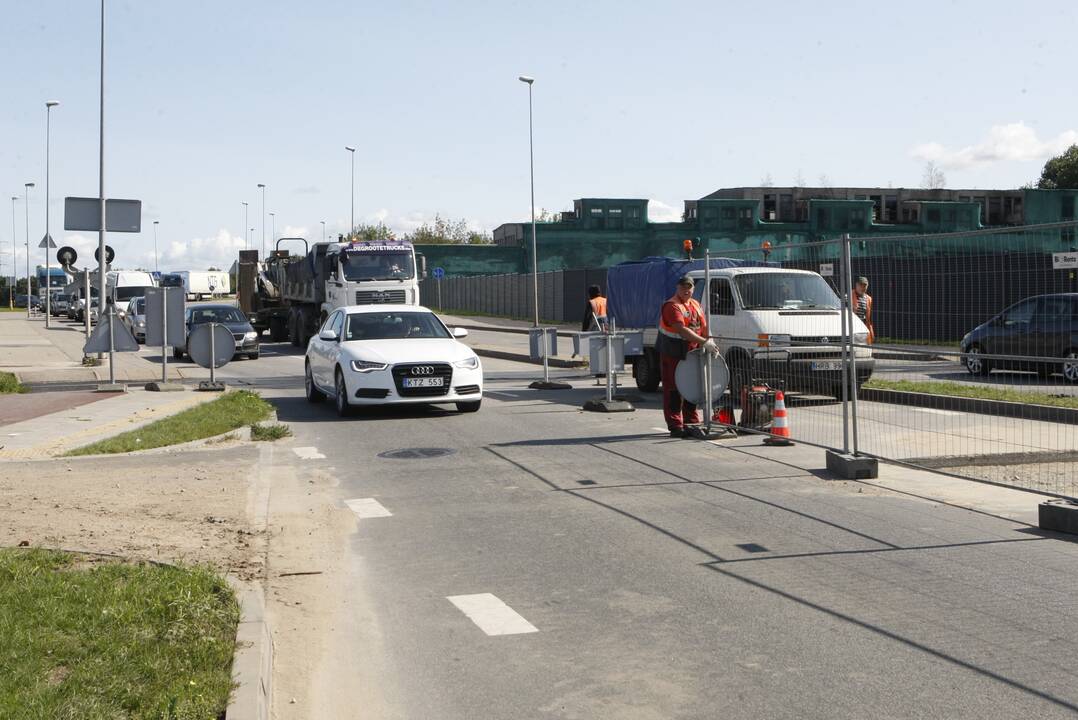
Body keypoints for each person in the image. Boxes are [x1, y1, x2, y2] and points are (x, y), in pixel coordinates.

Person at [657, 276, 719, 438]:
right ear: (677, 288)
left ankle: (691, 421)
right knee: (674, 389)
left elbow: (704, 326)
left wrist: (710, 340)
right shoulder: (672, 306)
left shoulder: (696, 304)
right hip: (673, 353)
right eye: (683, 287)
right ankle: (675, 425)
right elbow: (681, 330)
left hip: (692, 353)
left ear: (693, 289)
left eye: (689, 287)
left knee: (692, 387)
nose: (687, 290)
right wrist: (704, 342)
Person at [853, 276, 874, 343]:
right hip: (852, 328)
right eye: (860, 285)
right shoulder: (848, 296)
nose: (862, 287)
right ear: (856, 285)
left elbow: (869, 318)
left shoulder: (868, 299)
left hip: (862, 329)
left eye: (865, 285)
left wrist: (871, 331)